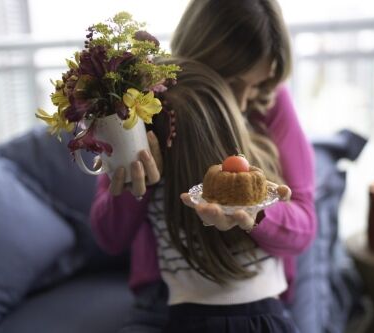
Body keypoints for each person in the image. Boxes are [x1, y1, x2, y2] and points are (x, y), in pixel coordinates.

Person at [91, 0, 316, 331]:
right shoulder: (145, 106)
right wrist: (133, 184)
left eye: (257, 83)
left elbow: (304, 226)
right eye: (232, 82)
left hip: (259, 297)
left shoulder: (268, 100)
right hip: (163, 300)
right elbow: (109, 237)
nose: (242, 102)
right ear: (197, 58)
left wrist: (256, 211)